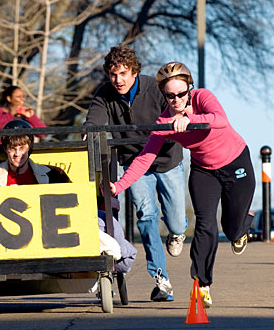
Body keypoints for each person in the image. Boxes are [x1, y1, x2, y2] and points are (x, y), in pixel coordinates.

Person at [106, 61, 255, 308]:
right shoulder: (164, 122)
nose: (176, 100)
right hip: (204, 171)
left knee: (232, 228)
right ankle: (202, 285)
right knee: (205, 224)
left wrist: (191, 117)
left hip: (235, 161)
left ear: (189, 88)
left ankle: (241, 229)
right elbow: (144, 159)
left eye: (181, 94)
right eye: (170, 96)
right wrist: (119, 186)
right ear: (164, 95)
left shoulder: (203, 97)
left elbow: (219, 119)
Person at [0, 119, 136, 273]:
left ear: (29, 148)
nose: (17, 154)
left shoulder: (52, 174)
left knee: (106, 221)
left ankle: (117, 258)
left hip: (48, 233)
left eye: (22, 148)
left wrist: (101, 199)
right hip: (3, 236)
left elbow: (75, 202)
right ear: (5, 149)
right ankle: (115, 255)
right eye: (12, 149)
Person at [84, 44, 187, 302]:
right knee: (146, 215)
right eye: (112, 74)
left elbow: (178, 108)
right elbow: (94, 118)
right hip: (134, 162)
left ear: (134, 72)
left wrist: (179, 120)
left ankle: (176, 232)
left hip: (166, 158)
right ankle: (161, 279)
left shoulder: (154, 87)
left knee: (175, 221)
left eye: (123, 73)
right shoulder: (106, 93)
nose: (117, 80)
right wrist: (90, 130)